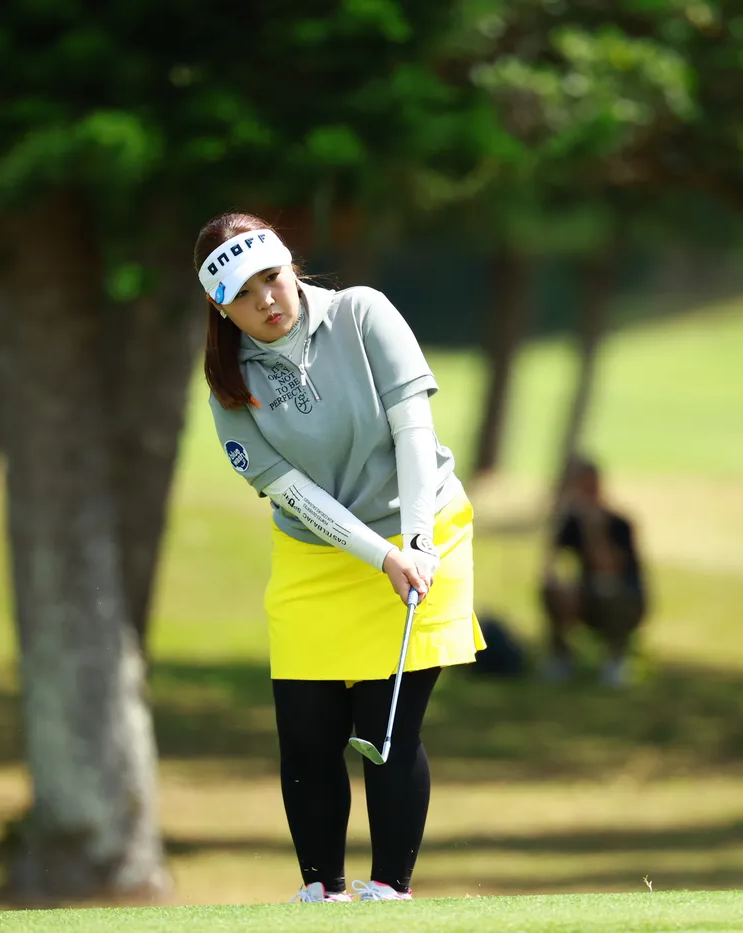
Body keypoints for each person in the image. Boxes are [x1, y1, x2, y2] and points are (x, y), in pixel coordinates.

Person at [194, 212, 485, 903]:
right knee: (307, 733)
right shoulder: (228, 380)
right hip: (318, 552)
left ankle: (389, 891)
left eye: (272, 278)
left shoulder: (362, 312)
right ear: (220, 307)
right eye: (244, 294)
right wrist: (378, 555)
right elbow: (293, 495)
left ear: (290, 265)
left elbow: (413, 431)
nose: (267, 300)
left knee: (386, 727)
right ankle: (321, 894)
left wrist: (413, 542)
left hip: (423, 529)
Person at [539, 457, 648, 686]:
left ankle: (616, 661)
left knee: (605, 590)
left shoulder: (618, 524)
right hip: (588, 595)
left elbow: (608, 568)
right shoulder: (572, 523)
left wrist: (593, 529)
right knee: (552, 590)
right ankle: (561, 658)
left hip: (624, 600)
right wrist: (557, 519)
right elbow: (550, 565)